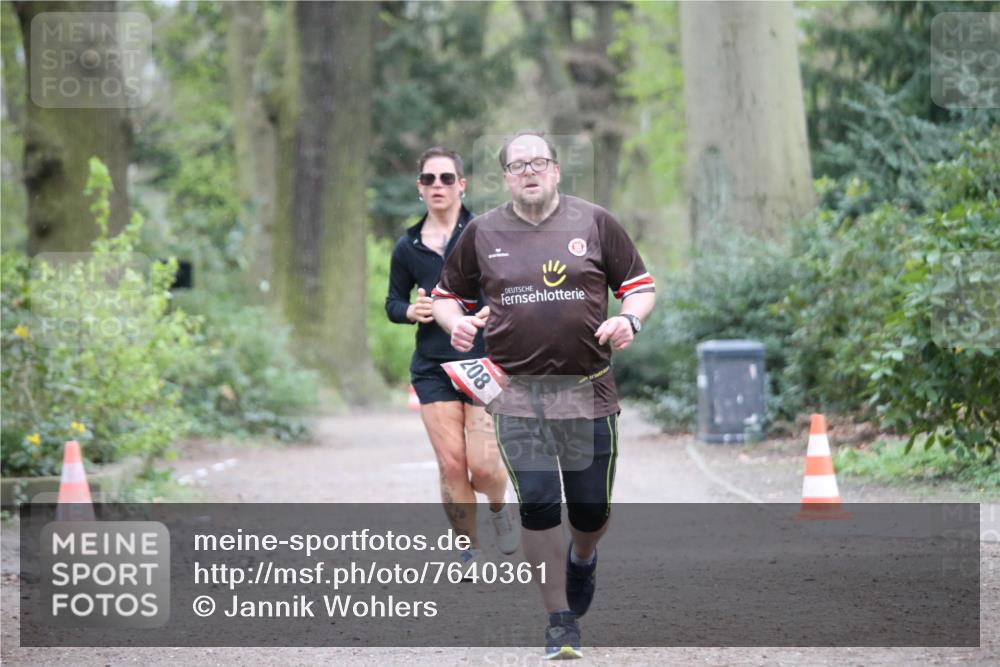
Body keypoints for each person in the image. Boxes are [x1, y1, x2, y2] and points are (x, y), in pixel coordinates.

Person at [432, 132, 655, 659]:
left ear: (555, 170)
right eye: (518, 165)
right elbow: (444, 297)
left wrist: (629, 320)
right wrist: (456, 324)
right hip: (517, 394)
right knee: (536, 503)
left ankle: (583, 557)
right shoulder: (483, 232)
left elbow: (640, 287)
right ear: (506, 177)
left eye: (539, 162)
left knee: (591, 513)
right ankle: (559, 618)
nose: (529, 171)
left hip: (587, 390)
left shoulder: (595, 222)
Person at [385, 147, 520, 569]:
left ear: (462, 184)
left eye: (446, 178)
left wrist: (495, 311)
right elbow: (392, 302)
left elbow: (515, 285)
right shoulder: (407, 246)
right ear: (420, 188)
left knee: (482, 466)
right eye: (429, 179)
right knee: (451, 463)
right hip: (432, 367)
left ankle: (499, 507)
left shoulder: (486, 232)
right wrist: (411, 311)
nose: (437, 186)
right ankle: (469, 547)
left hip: (483, 360)